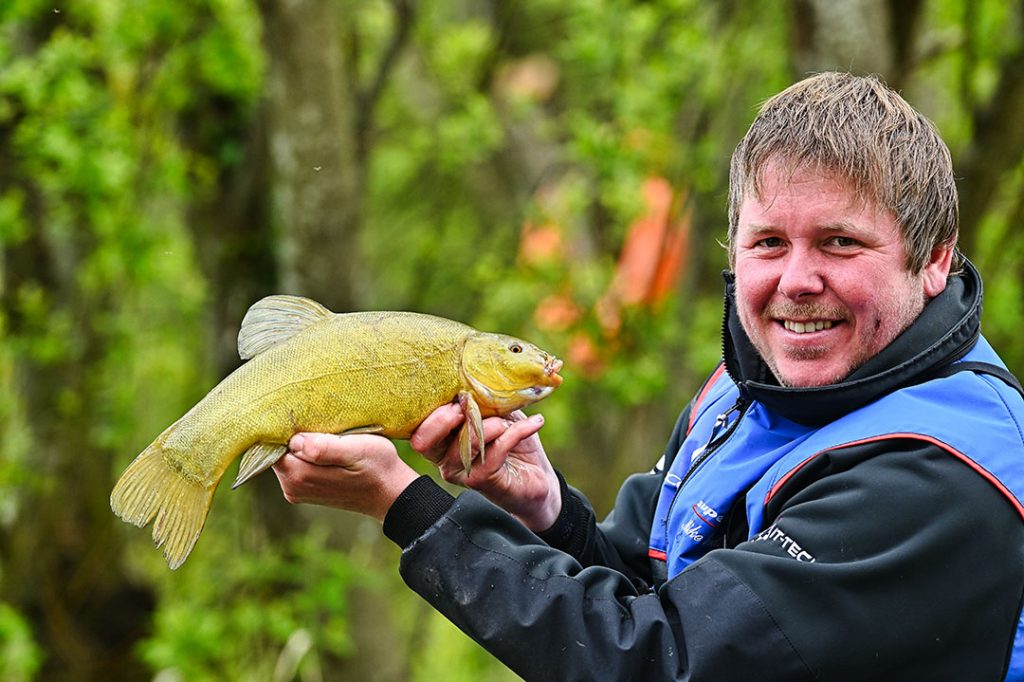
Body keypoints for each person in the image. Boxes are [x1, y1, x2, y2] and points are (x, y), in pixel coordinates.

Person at [271, 72, 1024, 681]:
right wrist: (545, 509)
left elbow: (660, 658)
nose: (797, 279)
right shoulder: (746, 389)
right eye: (767, 242)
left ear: (932, 260)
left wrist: (407, 508)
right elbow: (648, 585)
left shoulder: (943, 471)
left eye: (839, 242)